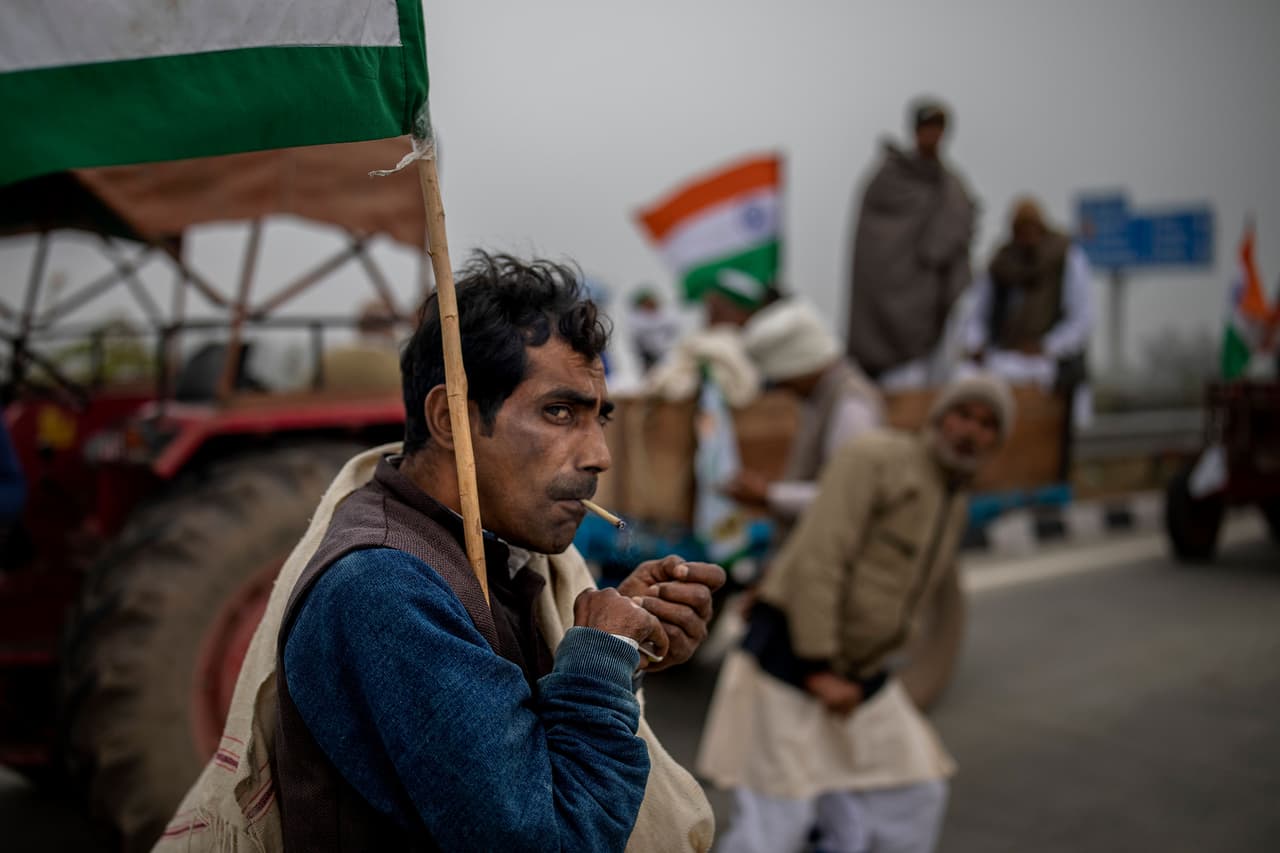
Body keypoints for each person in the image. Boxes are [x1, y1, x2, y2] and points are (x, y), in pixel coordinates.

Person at [157, 254, 722, 852]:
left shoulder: (486, 551)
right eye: (560, 413)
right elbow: (552, 838)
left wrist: (621, 642)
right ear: (449, 418)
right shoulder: (385, 587)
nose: (598, 455)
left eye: (598, 417)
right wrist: (600, 660)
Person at [698, 373, 1016, 853]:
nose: (971, 431)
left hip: (862, 675)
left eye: (988, 425)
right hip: (793, 663)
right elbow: (817, 561)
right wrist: (819, 669)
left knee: (915, 791)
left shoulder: (951, 500)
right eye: (963, 415)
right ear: (940, 417)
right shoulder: (875, 460)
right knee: (775, 827)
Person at [725, 298, 883, 541]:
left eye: (781, 379)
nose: (782, 388)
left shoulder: (851, 406)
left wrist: (769, 496)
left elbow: (850, 497)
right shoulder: (820, 400)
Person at [846, 98, 977, 388]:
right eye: (927, 127)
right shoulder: (889, 179)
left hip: (932, 305)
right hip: (890, 298)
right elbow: (874, 244)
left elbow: (955, 234)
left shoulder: (951, 186)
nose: (933, 135)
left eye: (939, 128)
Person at [963, 197, 1095, 425]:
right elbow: (976, 316)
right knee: (966, 379)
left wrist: (1047, 347)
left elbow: (1082, 320)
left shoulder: (1067, 259)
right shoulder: (1001, 264)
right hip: (1002, 356)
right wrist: (976, 345)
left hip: (1048, 361)